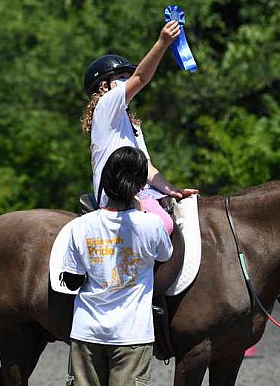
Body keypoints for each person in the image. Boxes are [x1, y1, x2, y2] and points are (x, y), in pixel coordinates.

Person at [62, 146, 173, 386]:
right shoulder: (151, 225)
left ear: (106, 179)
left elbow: (72, 280)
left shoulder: (79, 227)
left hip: (86, 333)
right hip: (133, 335)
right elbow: (164, 256)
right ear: (139, 186)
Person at [81, 20, 198, 235]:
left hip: (141, 189)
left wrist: (172, 190)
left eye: (127, 77)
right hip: (117, 194)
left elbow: (148, 169)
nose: (127, 81)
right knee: (164, 225)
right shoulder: (105, 105)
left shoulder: (131, 124)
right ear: (103, 86)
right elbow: (141, 77)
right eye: (121, 77)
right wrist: (163, 42)